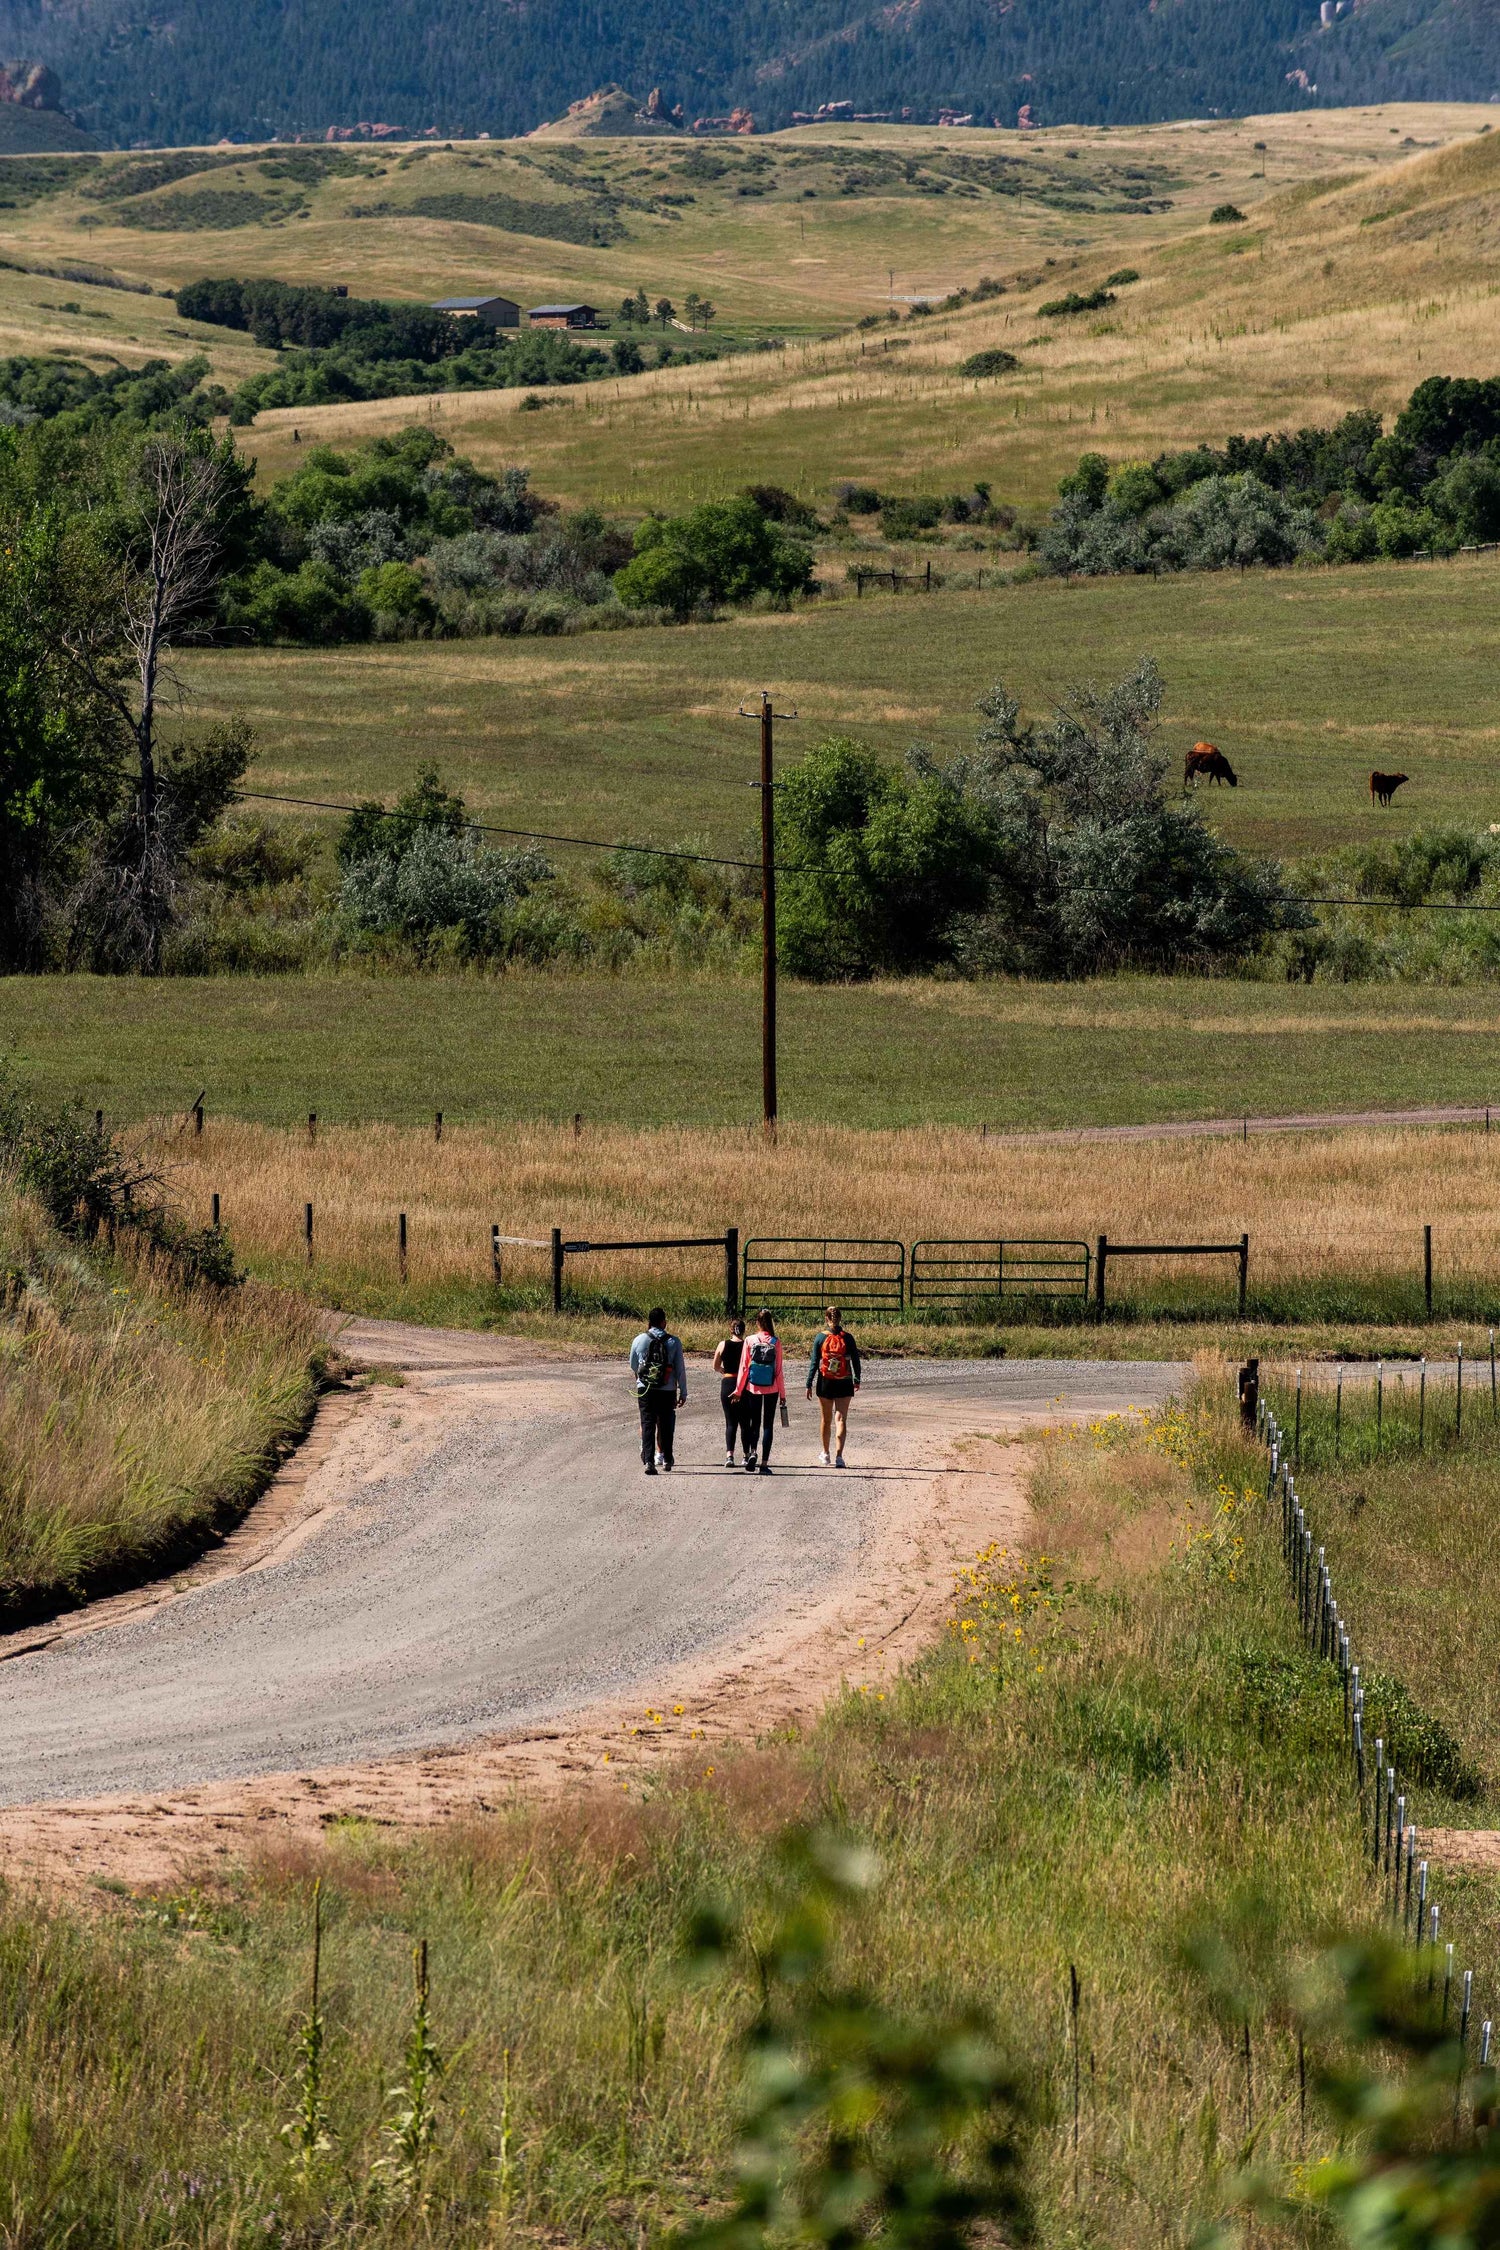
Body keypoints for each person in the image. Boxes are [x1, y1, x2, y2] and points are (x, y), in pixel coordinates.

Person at [629, 1307, 687, 1475]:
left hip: (645, 1388)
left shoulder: (639, 1340)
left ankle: (649, 1461)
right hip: (667, 1389)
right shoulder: (674, 1342)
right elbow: (680, 1369)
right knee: (666, 1423)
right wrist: (683, 1392)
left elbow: (633, 1365)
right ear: (664, 1322)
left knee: (647, 1422)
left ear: (648, 1322)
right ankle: (667, 1458)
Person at [806, 1305, 861, 1466]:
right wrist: (856, 1379)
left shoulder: (820, 1338)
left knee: (826, 1419)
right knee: (841, 1418)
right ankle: (839, 1456)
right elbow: (856, 1361)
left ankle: (825, 1453)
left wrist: (809, 1383)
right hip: (844, 1381)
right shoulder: (848, 1338)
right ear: (840, 1318)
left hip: (825, 1381)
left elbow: (814, 1362)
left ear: (826, 1319)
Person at [732, 1308, 784, 1475]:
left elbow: (744, 1367)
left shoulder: (749, 1340)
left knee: (755, 1423)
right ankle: (764, 1463)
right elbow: (778, 1370)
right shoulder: (775, 1342)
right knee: (768, 1425)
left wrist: (738, 1389)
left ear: (757, 1323)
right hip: (772, 1388)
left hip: (753, 1387)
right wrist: (782, 1394)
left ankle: (753, 1451)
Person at [713, 1316, 752, 1467]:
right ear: (743, 1331)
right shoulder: (747, 1345)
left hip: (728, 1382)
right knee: (745, 1422)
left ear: (731, 1330)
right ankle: (746, 1455)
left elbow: (715, 1366)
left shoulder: (723, 1344)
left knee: (730, 1422)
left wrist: (724, 1371)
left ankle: (729, 1455)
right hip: (744, 1384)